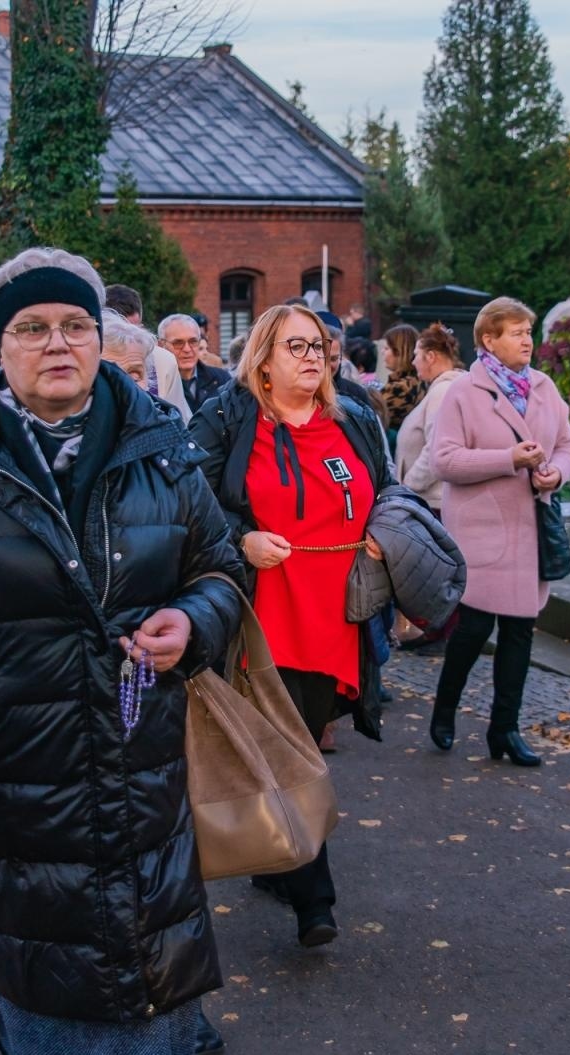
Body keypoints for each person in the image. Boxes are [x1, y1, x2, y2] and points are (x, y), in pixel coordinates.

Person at [0, 247, 243, 1055]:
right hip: (14, 799)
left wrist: (192, 618)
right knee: (49, 988)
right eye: (31, 328)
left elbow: (221, 569)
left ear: (102, 339)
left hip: (144, 789)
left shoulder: (157, 444)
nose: (57, 343)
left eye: (75, 325)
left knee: (148, 977)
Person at [190, 301, 391, 951]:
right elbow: (190, 500)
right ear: (264, 361)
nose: (313, 357)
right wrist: (241, 537)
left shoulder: (354, 418)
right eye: (296, 346)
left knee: (301, 744)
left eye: (319, 346)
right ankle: (315, 899)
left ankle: (279, 859)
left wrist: (386, 534)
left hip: (342, 615)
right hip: (270, 615)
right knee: (292, 752)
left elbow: (386, 491)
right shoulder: (229, 416)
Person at [429, 299, 570, 761]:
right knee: (473, 629)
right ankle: (445, 709)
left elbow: (569, 446)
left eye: (528, 331)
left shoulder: (543, 387)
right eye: (515, 332)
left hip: (530, 530)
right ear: (488, 340)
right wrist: (508, 460)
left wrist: (556, 472)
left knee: (520, 632)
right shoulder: (463, 392)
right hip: (482, 532)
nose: (527, 341)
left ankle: (505, 730)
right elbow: (444, 460)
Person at [395, 324, 465, 517]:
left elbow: (436, 446)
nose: (414, 361)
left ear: (431, 357)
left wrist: (409, 486)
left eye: (417, 354)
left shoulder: (442, 392)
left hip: (432, 502)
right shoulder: (446, 388)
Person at [161, 313, 230, 413]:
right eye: (178, 343)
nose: (187, 349)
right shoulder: (153, 385)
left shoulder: (222, 380)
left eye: (193, 341)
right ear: (162, 345)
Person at [377, 324, 424, 432]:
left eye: (386, 348)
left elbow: (371, 417)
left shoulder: (400, 388)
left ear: (400, 352)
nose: (382, 352)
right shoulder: (418, 380)